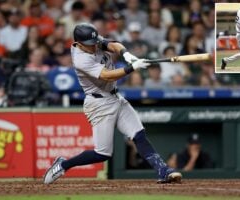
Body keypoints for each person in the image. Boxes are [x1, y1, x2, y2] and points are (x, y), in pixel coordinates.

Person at [43, 23, 182, 184]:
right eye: (89, 44)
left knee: (139, 135)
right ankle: (64, 164)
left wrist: (126, 54)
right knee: (102, 154)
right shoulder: (81, 59)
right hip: (99, 104)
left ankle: (163, 171)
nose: (94, 46)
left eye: (94, 42)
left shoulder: (92, 41)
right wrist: (131, 68)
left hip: (116, 97)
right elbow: (107, 75)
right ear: (79, 44)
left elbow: (112, 44)